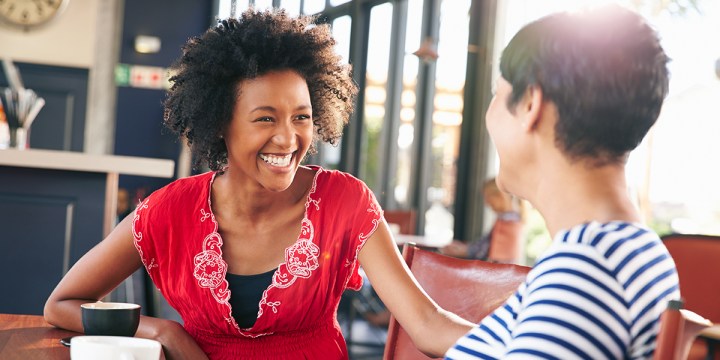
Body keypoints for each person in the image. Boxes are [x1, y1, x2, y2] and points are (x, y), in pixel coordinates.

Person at [43, 8, 473, 360]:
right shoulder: (168, 211)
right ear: (220, 125)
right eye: (265, 118)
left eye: (301, 117)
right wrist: (163, 332)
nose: (288, 139)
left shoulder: (346, 201)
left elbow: (427, 323)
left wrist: (524, 348)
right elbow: (60, 305)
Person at [445, 4, 680, 359]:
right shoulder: (626, 249)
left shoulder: (586, 270)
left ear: (530, 105)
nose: (488, 114)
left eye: (497, 92)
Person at [441, 177, 525, 264]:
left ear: (500, 196)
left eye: (488, 197)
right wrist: (465, 248)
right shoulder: (510, 218)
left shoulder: (508, 221)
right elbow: (486, 243)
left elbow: (486, 250)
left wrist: (464, 250)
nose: (486, 202)